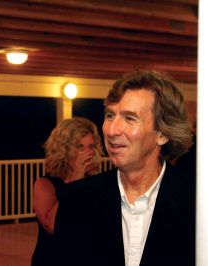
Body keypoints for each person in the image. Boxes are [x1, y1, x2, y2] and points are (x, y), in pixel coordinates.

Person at [54, 70, 195, 266]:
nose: (111, 130)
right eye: (110, 115)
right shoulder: (77, 200)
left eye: (130, 118)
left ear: (162, 134)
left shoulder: (200, 203)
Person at [31, 117, 103, 266]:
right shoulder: (45, 184)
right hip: (52, 259)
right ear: (64, 150)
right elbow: (51, 226)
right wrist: (75, 179)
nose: (88, 153)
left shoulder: (96, 182)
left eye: (90, 146)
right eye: (80, 147)